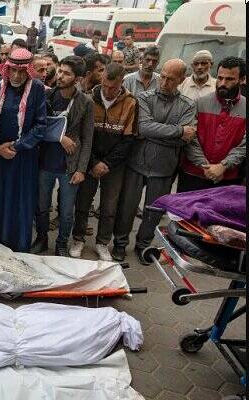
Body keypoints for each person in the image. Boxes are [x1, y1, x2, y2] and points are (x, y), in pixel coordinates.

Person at [112, 59, 196, 264]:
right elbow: (143, 127)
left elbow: (185, 138)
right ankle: (120, 244)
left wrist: (154, 133)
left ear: (181, 80)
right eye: (163, 77)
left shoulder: (188, 105)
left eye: (171, 79)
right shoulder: (144, 97)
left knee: (154, 211)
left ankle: (143, 245)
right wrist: (178, 131)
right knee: (127, 207)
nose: (164, 82)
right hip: (136, 162)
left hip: (164, 167)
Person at [70, 62, 137, 260]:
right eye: (105, 85)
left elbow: (128, 139)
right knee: (83, 203)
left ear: (122, 82)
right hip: (89, 160)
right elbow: (82, 135)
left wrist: (107, 163)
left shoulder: (131, 103)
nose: (108, 91)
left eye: (113, 88)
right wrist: (92, 163)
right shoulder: (88, 99)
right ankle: (78, 239)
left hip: (114, 164)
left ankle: (102, 243)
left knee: (109, 207)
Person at [0, 48, 47, 252]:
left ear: (28, 71)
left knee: (20, 202)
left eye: (21, 71)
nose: (17, 76)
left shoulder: (37, 89)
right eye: (13, 70)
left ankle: (18, 248)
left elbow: (41, 125)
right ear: (7, 69)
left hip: (24, 157)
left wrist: (16, 146)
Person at [31, 55, 94, 256]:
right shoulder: (46, 95)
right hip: (45, 163)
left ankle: (61, 243)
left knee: (66, 212)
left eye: (66, 74)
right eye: (59, 71)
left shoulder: (85, 102)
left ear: (77, 78)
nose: (60, 76)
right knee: (41, 207)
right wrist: (59, 137)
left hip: (70, 166)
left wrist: (81, 169)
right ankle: (41, 239)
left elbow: (87, 139)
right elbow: (37, 126)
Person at [179, 56, 246, 192]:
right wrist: (205, 166)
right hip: (193, 175)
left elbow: (244, 145)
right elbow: (189, 138)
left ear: (242, 79)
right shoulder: (199, 103)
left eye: (229, 79)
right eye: (220, 78)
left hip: (229, 178)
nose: (222, 83)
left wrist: (223, 166)